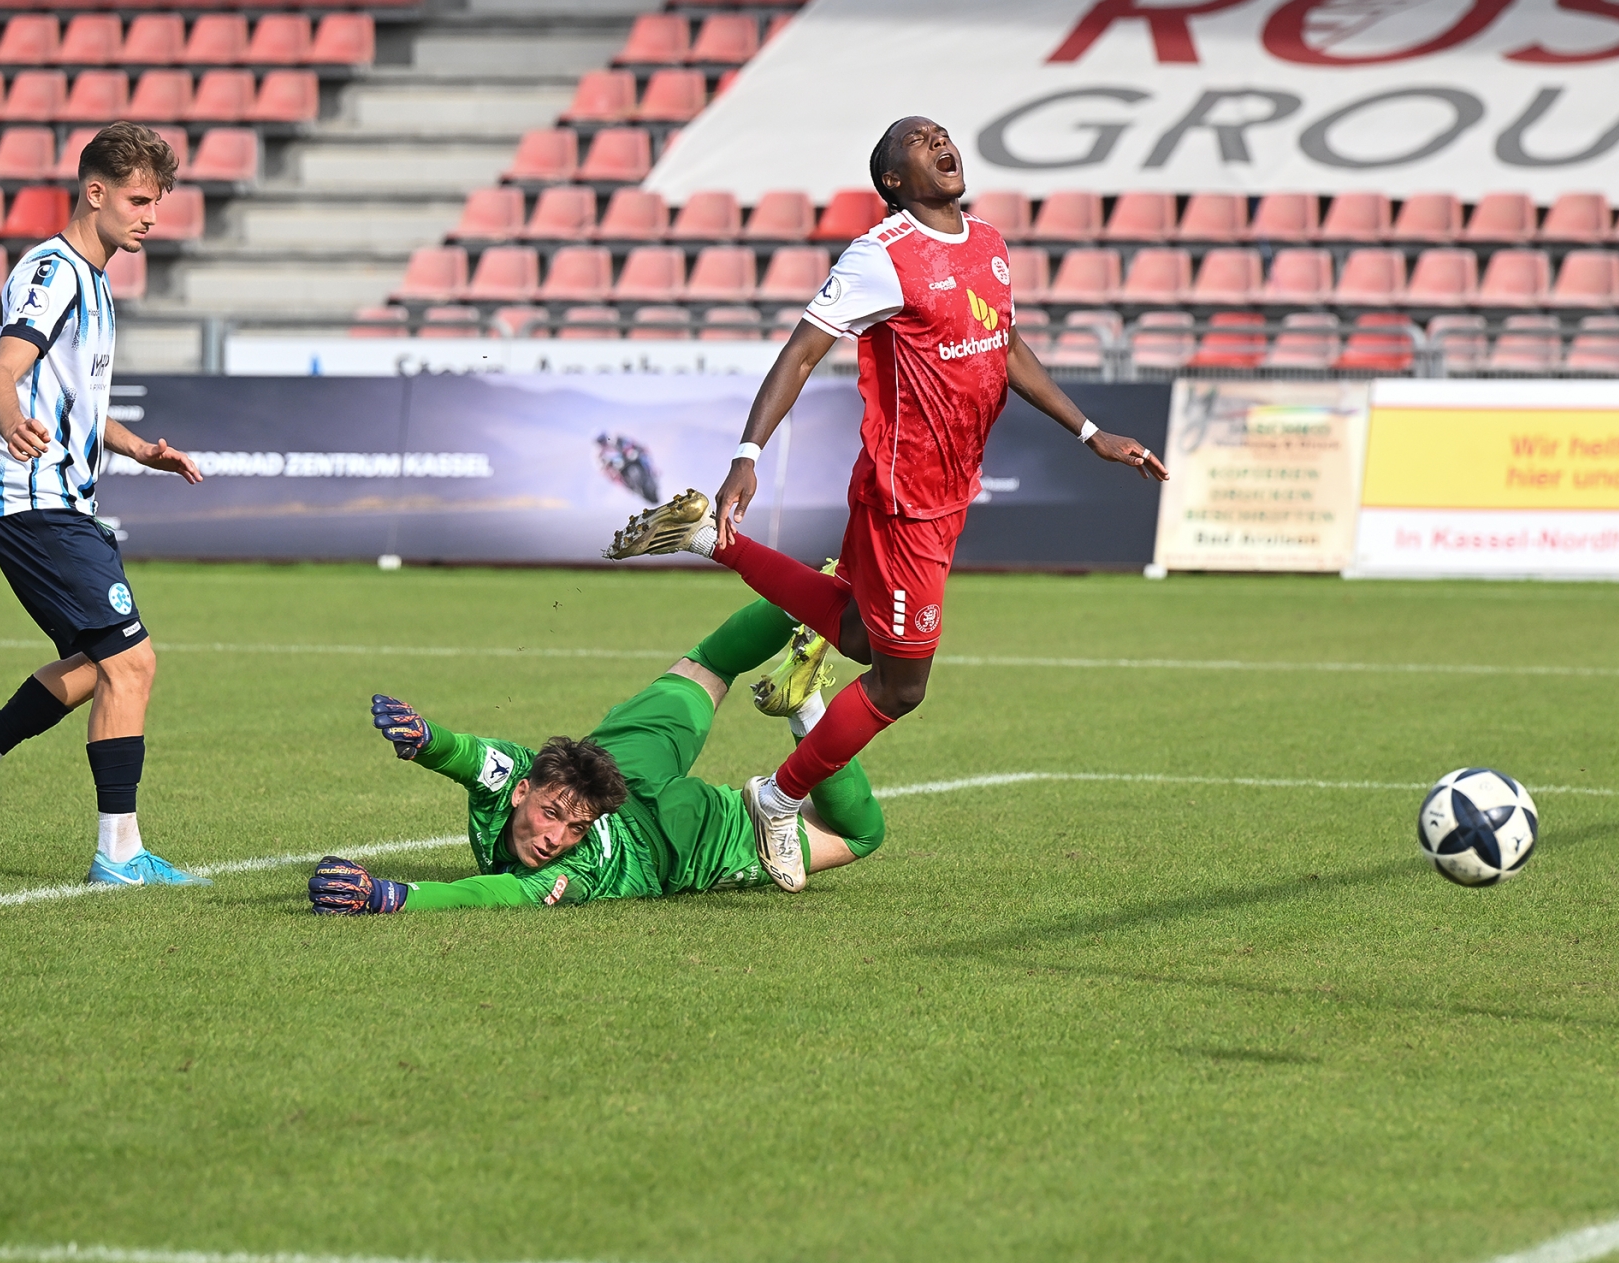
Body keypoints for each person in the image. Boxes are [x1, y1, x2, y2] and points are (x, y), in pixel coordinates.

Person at [604, 115, 1167, 892]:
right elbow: (803, 350)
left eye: (942, 133)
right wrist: (746, 456)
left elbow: (1003, 344)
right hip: (907, 500)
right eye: (918, 140)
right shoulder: (882, 254)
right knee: (902, 685)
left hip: (945, 489)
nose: (940, 142)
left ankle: (711, 539)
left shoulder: (989, 243)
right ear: (895, 179)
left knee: (862, 636)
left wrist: (1091, 431)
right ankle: (778, 798)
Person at [0, 123, 208, 887]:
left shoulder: (96, 280)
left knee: (95, 665)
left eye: (157, 202)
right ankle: (119, 854)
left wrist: (137, 447)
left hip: (59, 496)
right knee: (132, 661)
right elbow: (1, 370)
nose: (151, 216)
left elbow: (74, 400)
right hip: (29, 495)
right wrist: (10, 419)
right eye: (140, 201)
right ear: (96, 192)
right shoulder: (54, 272)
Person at [306, 597, 885, 914]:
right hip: (651, 798)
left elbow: (485, 891)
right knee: (708, 665)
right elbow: (466, 756)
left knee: (861, 835)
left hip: (667, 821)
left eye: (572, 826)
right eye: (554, 816)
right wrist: (428, 742)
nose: (556, 839)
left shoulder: (563, 864)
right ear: (521, 789)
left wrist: (390, 896)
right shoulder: (530, 795)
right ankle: (813, 619)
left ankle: (809, 650)